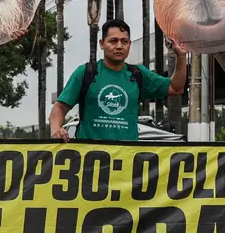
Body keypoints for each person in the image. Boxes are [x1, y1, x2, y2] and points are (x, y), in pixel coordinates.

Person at [50, 18, 187, 141]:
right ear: (102, 44)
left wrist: (181, 56)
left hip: (126, 162)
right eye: (113, 41)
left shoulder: (138, 74)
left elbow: (176, 88)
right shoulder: (86, 73)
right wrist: (56, 130)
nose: (119, 46)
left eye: (124, 41)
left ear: (129, 45)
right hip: (90, 163)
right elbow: (60, 107)